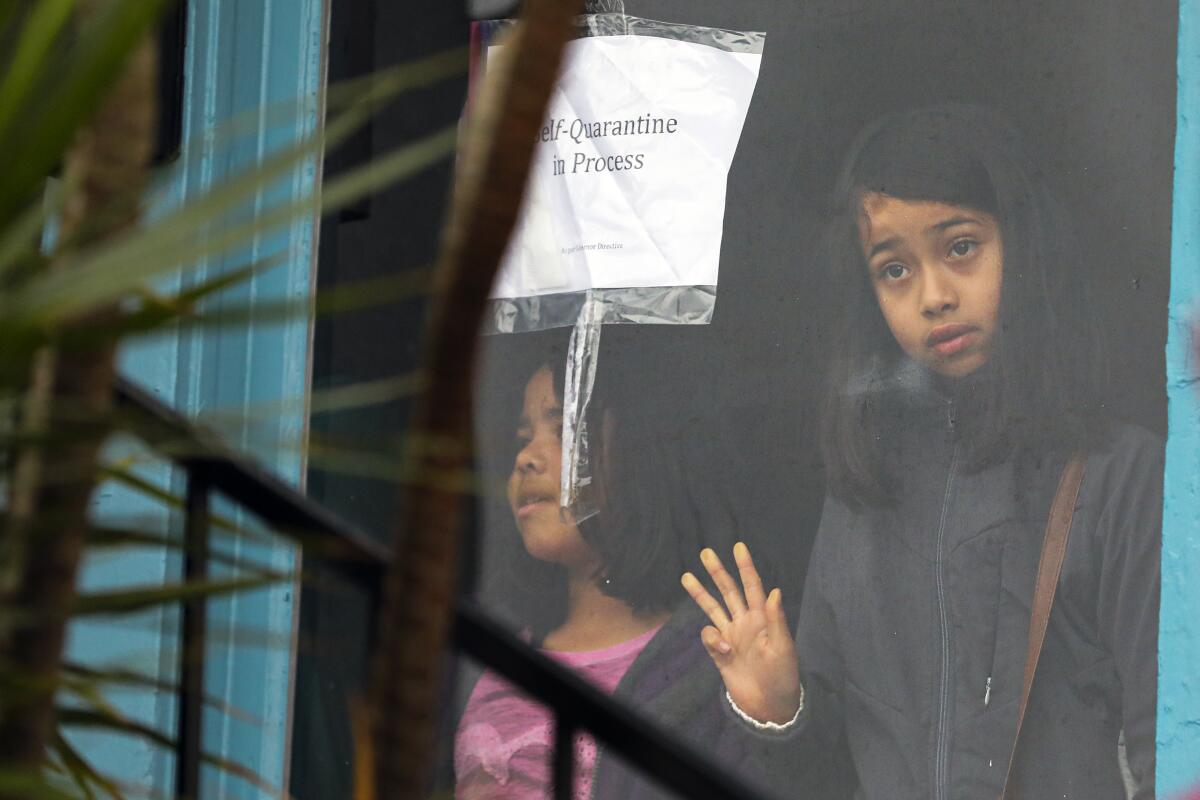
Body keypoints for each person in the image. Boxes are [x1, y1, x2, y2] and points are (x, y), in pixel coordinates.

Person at [682, 105, 1161, 799]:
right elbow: (829, 776)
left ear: (1022, 246)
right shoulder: (862, 496)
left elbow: (1171, 745)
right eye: (894, 269)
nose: (934, 296)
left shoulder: (1122, 477)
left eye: (960, 246)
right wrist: (779, 710)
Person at [455, 333, 750, 800]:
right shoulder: (490, 656)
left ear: (636, 454)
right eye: (522, 438)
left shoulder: (705, 665)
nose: (526, 458)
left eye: (564, 431)